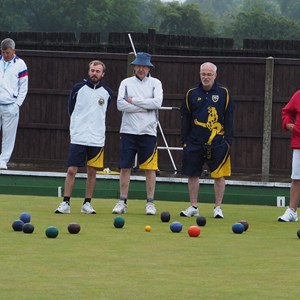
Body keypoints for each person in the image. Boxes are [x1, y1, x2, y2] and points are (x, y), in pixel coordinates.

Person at [54, 60, 112, 214]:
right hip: (78, 136)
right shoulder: (78, 88)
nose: (94, 73)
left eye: (98, 71)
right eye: (92, 70)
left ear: (102, 74)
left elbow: (105, 111)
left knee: (92, 172)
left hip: (97, 138)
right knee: (72, 170)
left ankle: (87, 203)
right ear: (88, 72)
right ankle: (65, 202)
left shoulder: (107, 92)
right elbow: (70, 110)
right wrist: (76, 127)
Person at [179, 62, 234, 218]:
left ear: (215, 75)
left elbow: (230, 117)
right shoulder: (191, 93)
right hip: (194, 142)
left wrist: (228, 141)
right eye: (203, 74)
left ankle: (217, 208)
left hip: (218, 142)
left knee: (219, 175)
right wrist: (185, 140)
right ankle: (193, 206)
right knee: (193, 174)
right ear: (199, 74)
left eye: (209, 74)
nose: (206, 77)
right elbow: (185, 117)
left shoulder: (224, 93)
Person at [112, 52, 163, 215]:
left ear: (149, 68)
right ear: (134, 67)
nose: (141, 69)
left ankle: (150, 202)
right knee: (125, 166)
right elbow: (120, 105)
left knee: (150, 168)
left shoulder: (156, 83)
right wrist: (145, 105)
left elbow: (157, 103)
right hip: (128, 130)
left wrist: (133, 101)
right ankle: (122, 201)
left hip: (148, 131)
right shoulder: (126, 82)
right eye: (138, 66)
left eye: (144, 66)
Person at [0, 38, 28, 169]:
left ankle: (3, 161)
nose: (5, 55)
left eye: (7, 52)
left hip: (11, 105)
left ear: (13, 51)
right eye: (3, 52)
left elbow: (24, 86)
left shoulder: (20, 64)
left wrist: (17, 104)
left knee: (9, 135)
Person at [278, 90, 300, 222]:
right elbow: (287, 111)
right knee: (297, 178)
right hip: (299, 143)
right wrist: (288, 124)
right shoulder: (299, 95)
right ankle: (292, 211)